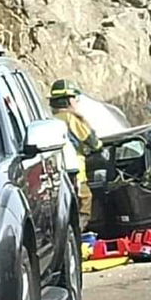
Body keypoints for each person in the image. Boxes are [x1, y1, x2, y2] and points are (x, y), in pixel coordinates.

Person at [48, 79, 103, 230]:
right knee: (83, 204)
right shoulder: (71, 119)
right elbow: (94, 142)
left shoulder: (47, 119)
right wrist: (83, 118)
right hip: (75, 173)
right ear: (70, 100)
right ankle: (77, 238)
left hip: (52, 173)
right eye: (76, 99)